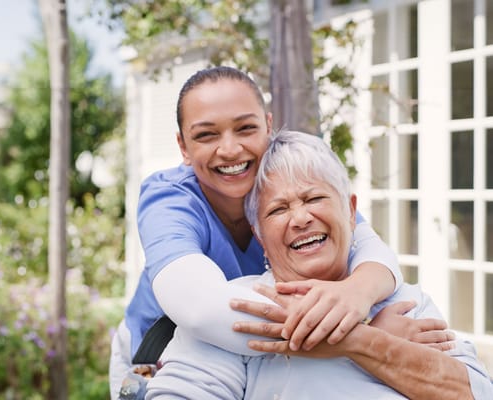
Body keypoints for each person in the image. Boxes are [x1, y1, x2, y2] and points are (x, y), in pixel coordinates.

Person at [110, 66, 406, 398]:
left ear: (268, 125)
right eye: (206, 135)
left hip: (251, 355)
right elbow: (202, 311)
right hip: (155, 361)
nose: (230, 149)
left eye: (245, 128)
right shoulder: (169, 199)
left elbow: (371, 250)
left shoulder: (290, 183)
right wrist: (364, 337)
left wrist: (359, 292)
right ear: (183, 147)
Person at [145, 130, 493, 399]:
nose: (300, 218)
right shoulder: (237, 310)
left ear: (351, 211)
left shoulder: (403, 303)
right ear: (260, 234)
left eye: (314, 198)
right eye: (278, 210)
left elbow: (474, 392)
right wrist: (352, 336)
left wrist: (358, 341)